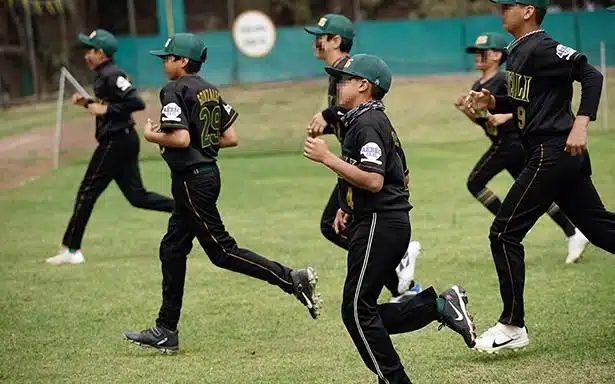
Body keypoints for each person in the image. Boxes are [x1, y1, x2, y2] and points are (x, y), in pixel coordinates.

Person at [124, 33, 321, 353]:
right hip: (206, 176)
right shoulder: (209, 90)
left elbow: (182, 139)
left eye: (168, 57)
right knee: (172, 249)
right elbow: (229, 137)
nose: (164, 62)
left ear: (183, 61)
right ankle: (166, 329)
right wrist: (199, 146)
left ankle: (291, 279)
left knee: (222, 252)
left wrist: (152, 135)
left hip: (191, 181)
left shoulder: (173, 89)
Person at [304, 53, 476, 384]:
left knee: (356, 310)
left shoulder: (367, 123)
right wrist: (347, 203)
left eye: (345, 79)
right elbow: (402, 175)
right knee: (359, 311)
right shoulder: (371, 120)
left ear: (364, 86)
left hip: (380, 224)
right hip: (378, 221)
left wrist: (327, 158)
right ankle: (438, 307)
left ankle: (397, 376)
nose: (339, 84)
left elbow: (374, 180)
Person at [467, 0, 615, 353]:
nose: (500, 10)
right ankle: (512, 324)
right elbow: (523, 102)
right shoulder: (516, 51)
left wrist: (581, 124)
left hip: (554, 151)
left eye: (507, 5)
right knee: (599, 228)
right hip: (553, 154)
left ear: (529, 10)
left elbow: (592, 75)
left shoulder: (543, 46)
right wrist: (492, 103)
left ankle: (512, 325)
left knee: (503, 234)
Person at [305, 14, 422, 300]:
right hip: (356, 163)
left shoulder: (351, 70)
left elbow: (368, 123)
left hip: (363, 167)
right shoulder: (341, 73)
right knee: (337, 224)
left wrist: (327, 115)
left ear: (335, 40)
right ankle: (402, 284)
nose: (315, 41)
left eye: (321, 35)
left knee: (334, 225)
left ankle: (398, 262)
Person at [457, 31, 588, 264]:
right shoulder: (479, 84)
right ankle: (573, 232)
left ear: (498, 55)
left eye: (483, 52)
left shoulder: (506, 79)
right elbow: (487, 123)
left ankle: (506, 227)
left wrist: (505, 116)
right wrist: (470, 113)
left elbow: (527, 106)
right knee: (539, 194)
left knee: (474, 182)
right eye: (475, 52)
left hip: (512, 144)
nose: (478, 56)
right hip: (504, 143)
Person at [46, 29, 174, 265]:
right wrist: (87, 104)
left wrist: (106, 110)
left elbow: (135, 102)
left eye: (90, 50)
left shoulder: (113, 74)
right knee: (137, 197)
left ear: (102, 53)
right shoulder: (104, 74)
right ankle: (184, 210)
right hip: (121, 140)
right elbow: (111, 105)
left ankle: (72, 250)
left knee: (87, 192)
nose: (86, 55)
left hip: (116, 142)